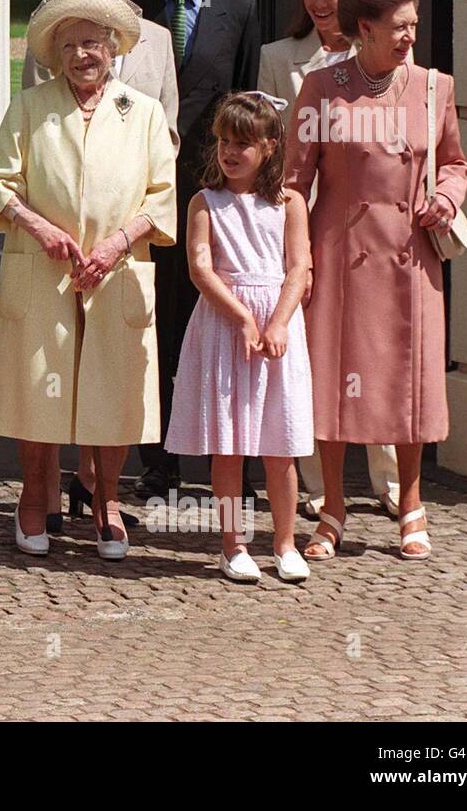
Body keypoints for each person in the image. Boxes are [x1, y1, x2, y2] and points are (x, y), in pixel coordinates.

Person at [0, 0, 177, 560]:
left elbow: (162, 194)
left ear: (114, 47)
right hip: (44, 269)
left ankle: (107, 499)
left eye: (92, 44)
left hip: (116, 270)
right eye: (69, 46)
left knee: (114, 390)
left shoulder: (141, 112)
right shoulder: (29, 107)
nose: (82, 56)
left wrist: (119, 243)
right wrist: (40, 228)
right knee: (35, 385)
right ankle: (34, 494)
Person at [285, 0, 467, 562]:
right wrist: (298, 259)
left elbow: (455, 164)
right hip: (340, 254)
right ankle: (333, 508)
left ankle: (411, 503)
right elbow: (294, 182)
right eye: (398, 27)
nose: (409, 37)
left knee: (407, 381)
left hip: (410, 256)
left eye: (414, 25)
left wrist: (445, 196)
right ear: (364, 27)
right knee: (336, 382)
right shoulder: (321, 87)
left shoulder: (432, 88)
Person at [21, 0, 178, 528]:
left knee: (113, 365)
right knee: (56, 364)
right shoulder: (54, 27)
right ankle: (51, 490)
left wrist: (124, 227)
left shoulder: (158, 42)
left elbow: (163, 127)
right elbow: (40, 122)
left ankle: (98, 486)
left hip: (125, 233)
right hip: (58, 242)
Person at [259, 0, 401, 518]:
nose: (320, 4)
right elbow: (270, 148)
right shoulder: (277, 56)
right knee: (313, 355)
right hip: (303, 224)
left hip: (372, 227)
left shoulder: (388, 57)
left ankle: (390, 481)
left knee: (380, 349)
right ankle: (319, 488)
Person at [130, 0, 260, 501]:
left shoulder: (239, 9)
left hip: (212, 196)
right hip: (144, 196)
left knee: (211, 324)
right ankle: (156, 462)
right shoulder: (129, 8)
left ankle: (224, 459)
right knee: (153, 326)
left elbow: (245, 105)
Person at [165, 93, 313, 583]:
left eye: (243, 143)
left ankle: (286, 542)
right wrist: (243, 320)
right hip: (226, 329)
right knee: (228, 446)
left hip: (277, 333)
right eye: (225, 141)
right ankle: (233, 544)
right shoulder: (206, 202)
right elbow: (201, 268)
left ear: (269, 147)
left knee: (280, 444)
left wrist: (276, 323)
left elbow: (298, 268)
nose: (230, 152)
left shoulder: (290, 203)